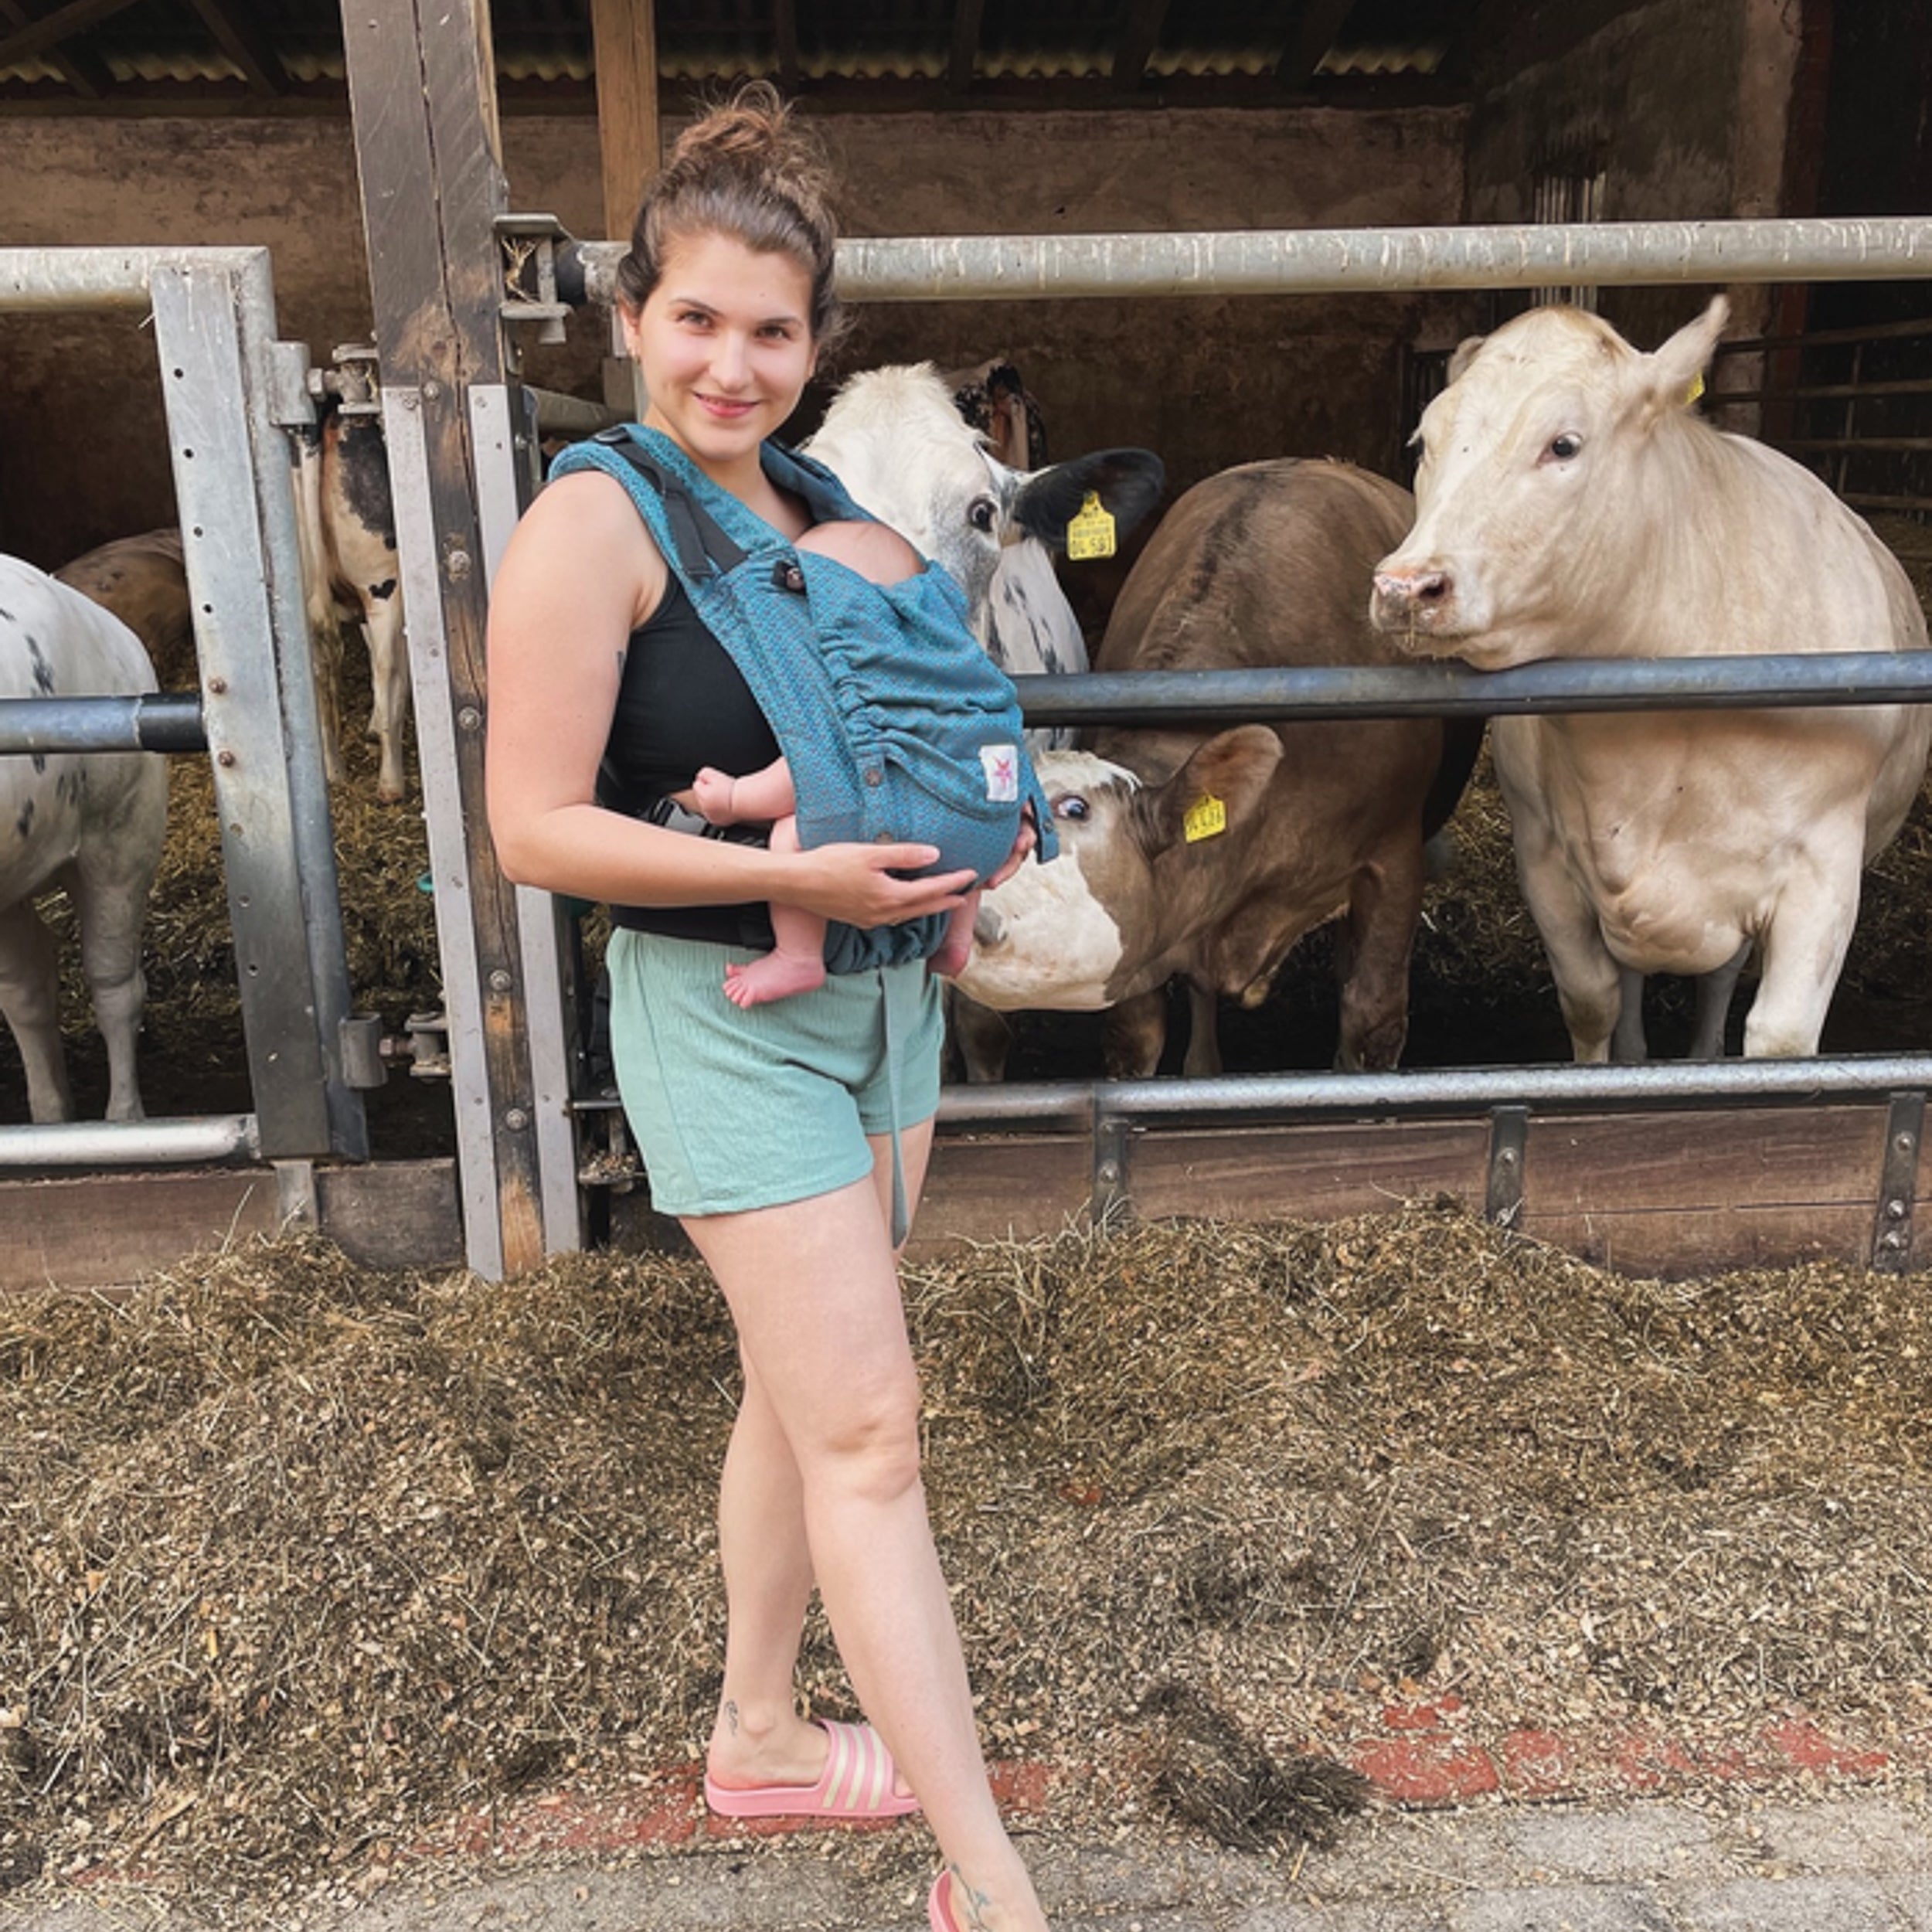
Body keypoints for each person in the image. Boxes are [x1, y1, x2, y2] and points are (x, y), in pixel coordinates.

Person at [484, 81, 1050, 1932]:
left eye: (773, 332)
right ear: (630, 313)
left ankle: (763, 1736)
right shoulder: (594, 521)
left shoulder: (819, 505)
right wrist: (798, 875)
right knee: (870, 1438)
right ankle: (991, 1883)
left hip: (882, 1002)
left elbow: (919, 720)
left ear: (817, 344)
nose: (731, 365)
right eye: (697, 320)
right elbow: (530, 828)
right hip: (730, 1003)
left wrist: (955, 840)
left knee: (798, 1394)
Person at [691, 518, 981, 1009]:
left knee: (793, 833)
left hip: (893, 822)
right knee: (965, 836)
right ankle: (957, 938)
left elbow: (808, 773)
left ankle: (797, 956)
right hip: (969, 828)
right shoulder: (943, 674)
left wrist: (734, 799)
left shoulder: (848, 683)